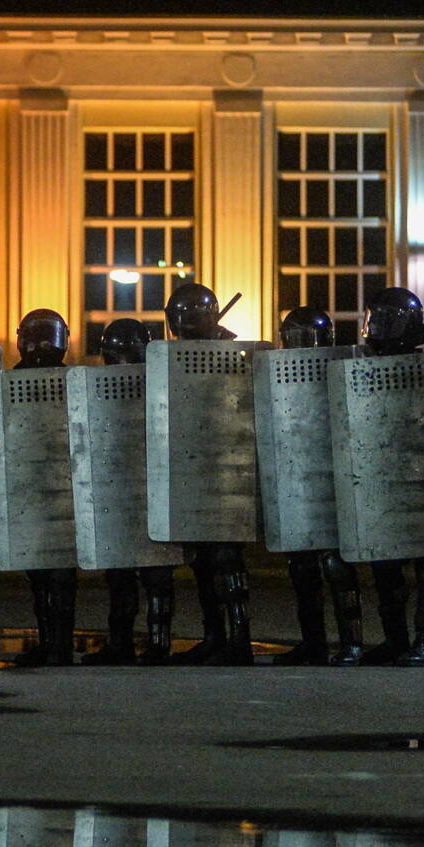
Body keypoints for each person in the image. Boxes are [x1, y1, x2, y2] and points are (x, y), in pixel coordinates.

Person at [352, 288, 424, 665]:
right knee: (385, 564)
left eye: (380, 320)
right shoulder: (362, 368)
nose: (373, 327)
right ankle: (395, 639)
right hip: (383, 477)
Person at [161, 282, 253, 664]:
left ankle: (239, 639)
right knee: (200, 561)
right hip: (192, 467)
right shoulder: (173, 356)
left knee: (226, 559)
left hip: (229, 471)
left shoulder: (234, 354)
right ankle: (214, 636)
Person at [269, 304, 363, 665]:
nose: (298, 343)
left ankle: (352, 643)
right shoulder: (277, 370)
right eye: (292, 336)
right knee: (301, 566)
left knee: (337, 565)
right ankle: (314, 642)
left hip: (338, 475)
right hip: (296, 476)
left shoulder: (346, 364)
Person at [81, 318, 178, 665]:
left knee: (144, 574)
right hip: (136, 489)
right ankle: (139, 643)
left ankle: (147, 643)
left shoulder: (163, 382)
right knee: (130, 573)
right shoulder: (162, 381)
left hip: (142, 489)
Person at [6, 309, 80, 667]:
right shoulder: (72, 380)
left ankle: (56, 644)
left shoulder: (11, 382)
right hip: (54, 490)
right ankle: (54, 643)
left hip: (42, 489)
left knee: (49, 576)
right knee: (48, 576)